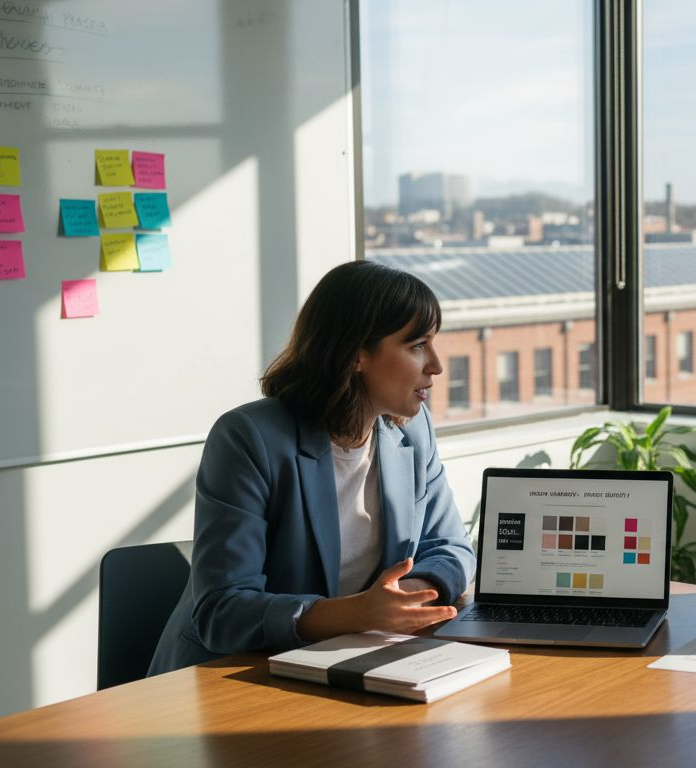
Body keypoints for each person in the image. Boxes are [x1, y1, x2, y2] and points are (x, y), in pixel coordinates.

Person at [149, 261, 475, 675]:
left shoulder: (412, 430)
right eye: (416, 346)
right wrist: (358, 614)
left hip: (350, 663)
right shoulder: (248, 438)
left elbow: (452, 548)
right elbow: (223, 610)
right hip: (231, 676)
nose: (436, 365)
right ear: (356, 353)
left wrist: (404, 595)